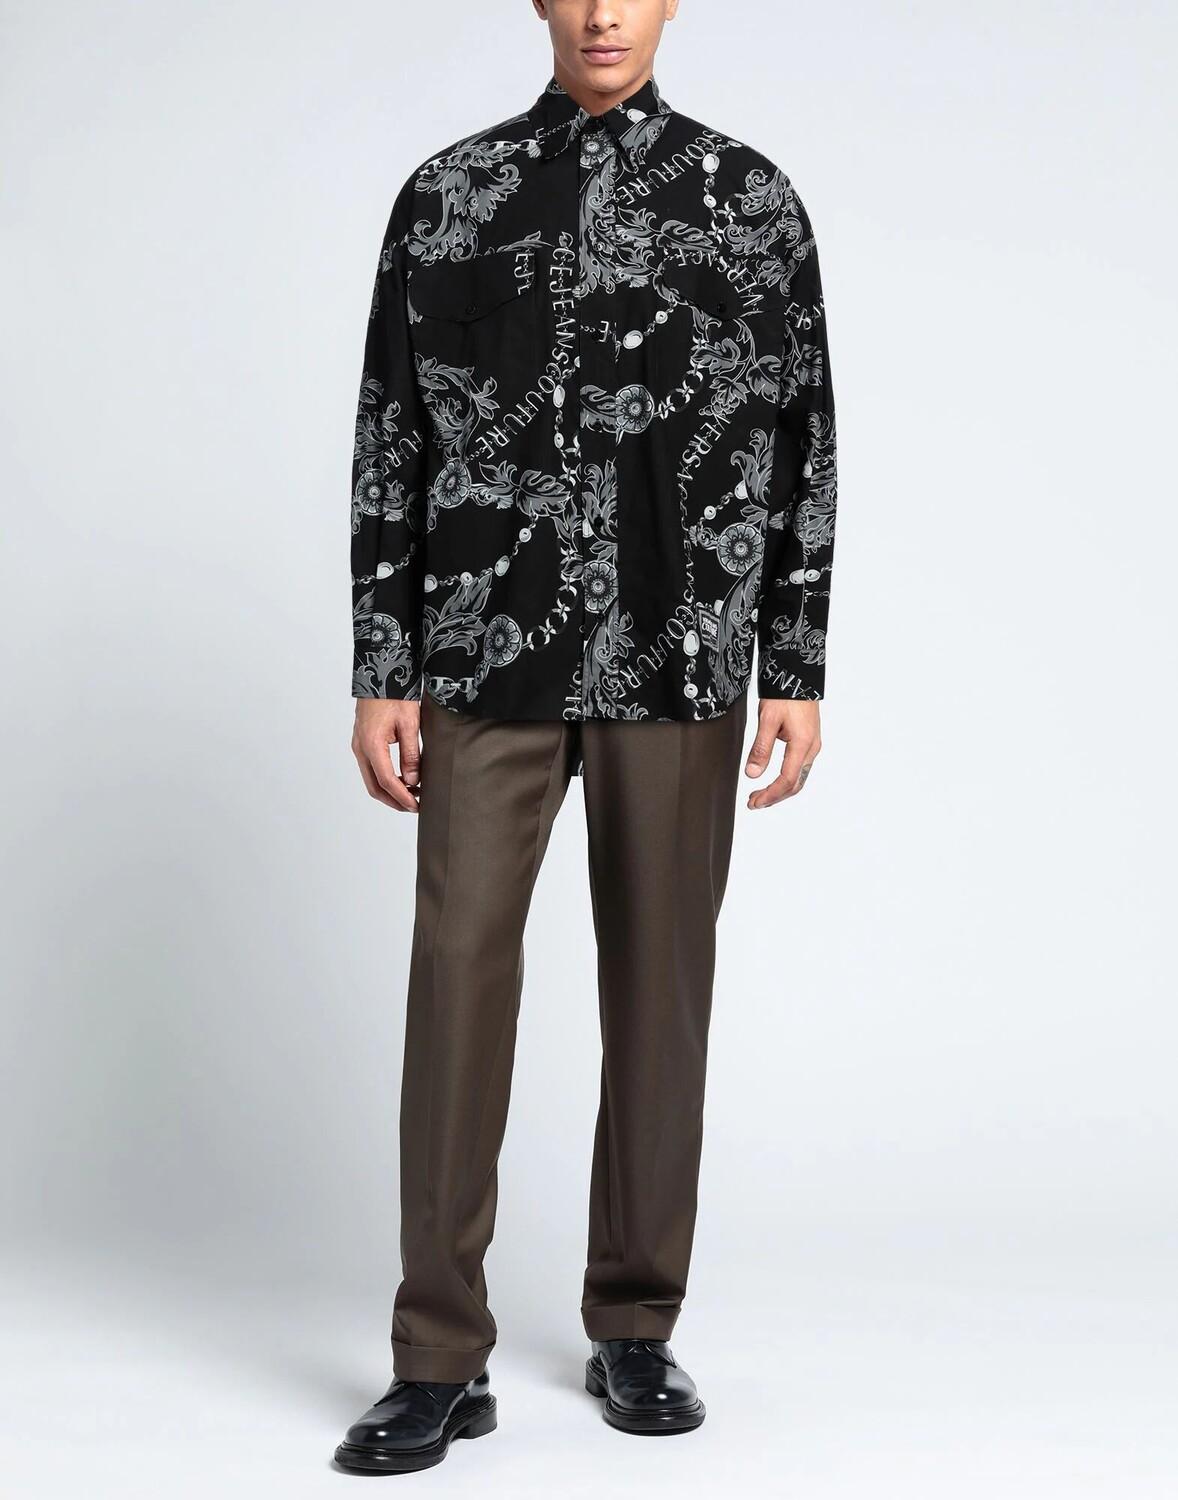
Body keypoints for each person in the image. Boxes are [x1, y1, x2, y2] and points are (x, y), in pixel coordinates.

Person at [335, 0, 838, 1473]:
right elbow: (391, 432)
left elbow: (803, 437)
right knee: (456, 976)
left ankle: (634, 1322)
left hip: (680, 656)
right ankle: (438, 1355)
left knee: (660, 989)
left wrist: (795, 661)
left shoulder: (750, 200)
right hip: (483, 656)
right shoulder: (450, 194)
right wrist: (382, 662)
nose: (604, 12)